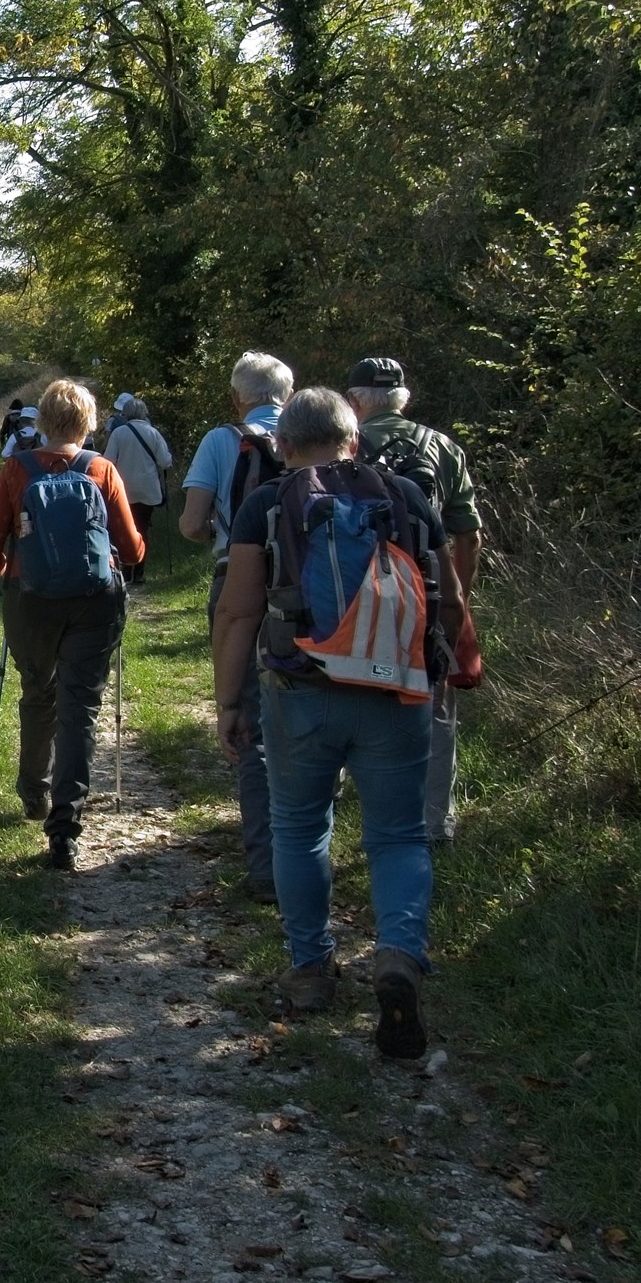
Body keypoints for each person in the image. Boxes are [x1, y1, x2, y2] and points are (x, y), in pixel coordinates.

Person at [209, 387, 457, 1061]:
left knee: (298, 825)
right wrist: (449, 666)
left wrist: (228, 701)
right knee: (400, 832)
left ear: (283, 446)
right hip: (398, 692)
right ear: (354, 441)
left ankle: (312, 968)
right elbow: (450, 596)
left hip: (302, 689)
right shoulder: (407, 497)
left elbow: (238, 613)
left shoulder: (268, 505)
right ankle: (399, 953)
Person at [0, 379, 147, 871]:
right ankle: (65, 830)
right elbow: (133, 551)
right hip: (96, 603)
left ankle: (34, 792)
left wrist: (13, 574)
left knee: (38, 692)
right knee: (81, 708)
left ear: (42, 422)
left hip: (31, 601)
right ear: (89, 423)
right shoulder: (102, 469)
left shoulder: (16, 470)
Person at [344, 357, 483, 846]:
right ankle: (434, 823)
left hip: (361, 594)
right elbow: (468, 535)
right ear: (404, 398)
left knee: (352, 694)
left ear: (356, 401)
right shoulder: (444, 447)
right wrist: (457, 598)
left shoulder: (347, 445)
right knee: (436, 707)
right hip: (432, 594)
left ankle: (355, 810)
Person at [174, 352, 292, 901]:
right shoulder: (314, 435)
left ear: (235, 397)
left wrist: (222, 530)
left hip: (235, 579)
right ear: (286, 397)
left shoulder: (222, 440)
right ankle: (312, 853)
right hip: (310, 591)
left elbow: (194, 524)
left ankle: (268, 870)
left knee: (247, 720)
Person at [101, 393, 173, 550]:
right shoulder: (153, 433)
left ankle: (127, 566)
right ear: (144, 413)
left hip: (124, 489)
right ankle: (140, 568)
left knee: (126, 527)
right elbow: (165, 462)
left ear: (125, 414)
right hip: (148, 490)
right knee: (143, 527)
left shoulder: (118, 433)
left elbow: (107, 461)